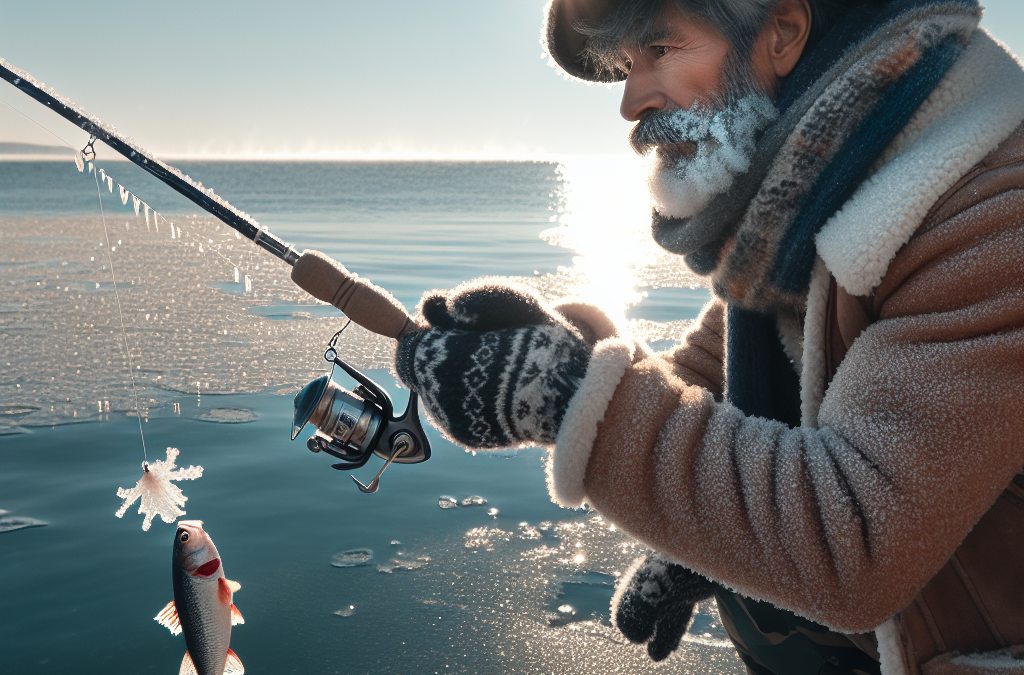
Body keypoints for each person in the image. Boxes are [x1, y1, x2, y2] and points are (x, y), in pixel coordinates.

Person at [394, 1, 1024, 673]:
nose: (631, 103)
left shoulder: (994, 213)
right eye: (627, 67)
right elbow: (709, 375)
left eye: (660, 50)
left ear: (782, 33)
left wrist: (567, 393)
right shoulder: (812, 204)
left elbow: (859, 545)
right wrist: (567, 350)